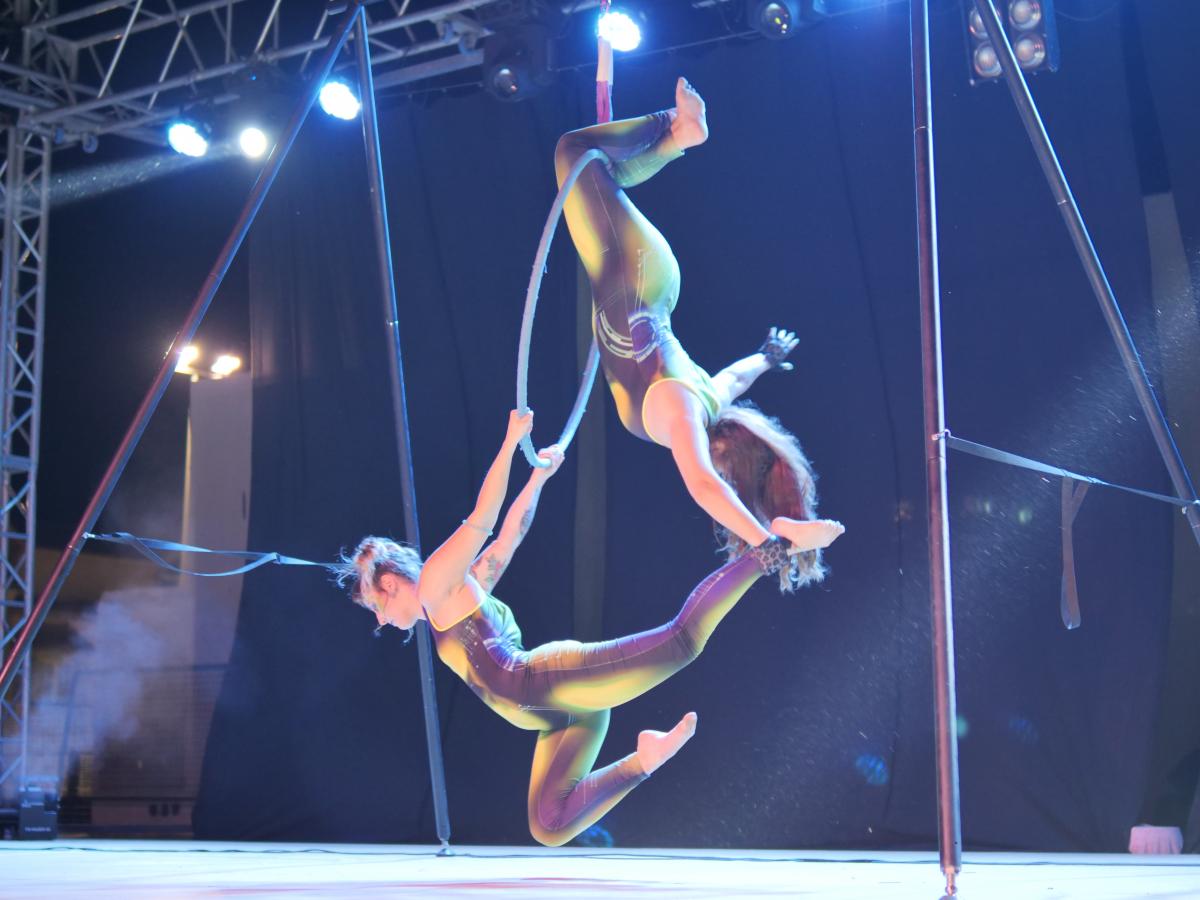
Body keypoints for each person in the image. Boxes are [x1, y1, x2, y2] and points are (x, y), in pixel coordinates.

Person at [336, 409, 843, 847]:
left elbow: (484, 519)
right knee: (549, 824)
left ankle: (772, 547)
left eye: (376, 607)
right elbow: (509, 538)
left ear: (389, 583)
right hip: (559, 718)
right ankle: (643, 760)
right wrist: (537, 481)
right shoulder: (450, 598)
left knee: (682, 640)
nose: (381, 620)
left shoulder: (434, 583)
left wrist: (512, 444)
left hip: (549, 681)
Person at [555, 76, 839, 590]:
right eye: (728, 471)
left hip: (642, 280)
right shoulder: (681, 410)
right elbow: (704, 485)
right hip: (633, 274)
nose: (720, 472)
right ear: (726, 453)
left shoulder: (707, 399)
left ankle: (678, 135)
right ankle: (678, 129)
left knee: (598, 168)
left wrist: (768, 356)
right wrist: (766, 543)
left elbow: (736, 379)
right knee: (575, 153)